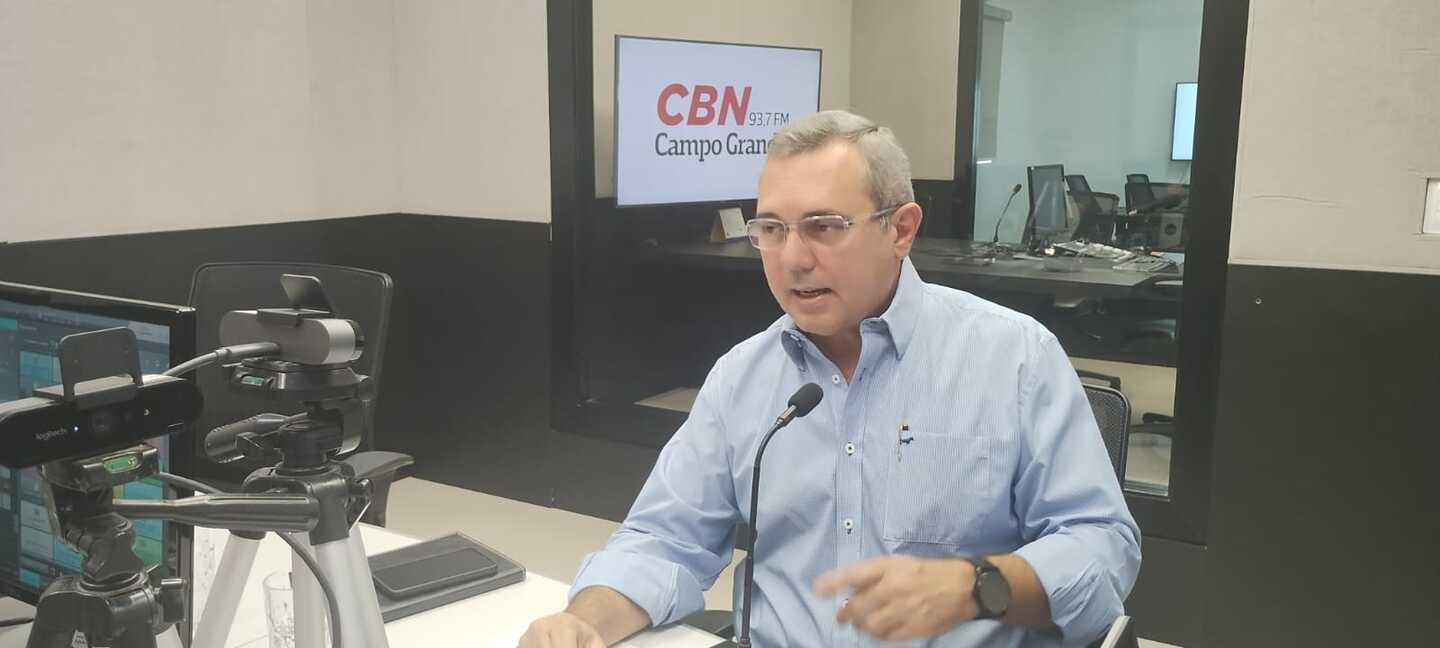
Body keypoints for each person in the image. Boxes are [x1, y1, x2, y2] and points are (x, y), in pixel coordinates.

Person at [520, 110, 1140, 647]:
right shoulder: (744, 377)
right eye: (771, 229)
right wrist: (584, 621)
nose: (792, 258)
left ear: (900, 229)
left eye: (824, 226)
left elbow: (1102, 548)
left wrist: (980, 585)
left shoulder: (1015, 358)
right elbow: (663, 539)